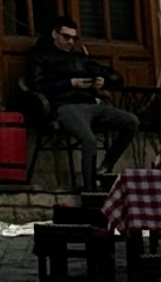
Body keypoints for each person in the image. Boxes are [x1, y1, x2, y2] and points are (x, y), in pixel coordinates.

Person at [25, 18, 136, 187]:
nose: (70, 42)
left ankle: (106, 166)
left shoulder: (79, 58)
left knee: (131, 121)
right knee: (89, 140)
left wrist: (102, 81)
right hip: (63, 106)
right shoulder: (40, 56)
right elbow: (35, 86)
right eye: (66, 37)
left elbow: (116, 77)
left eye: (74, 38)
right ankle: (90, 188)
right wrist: (70, 83)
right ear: (54, 34)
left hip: (89, 103)